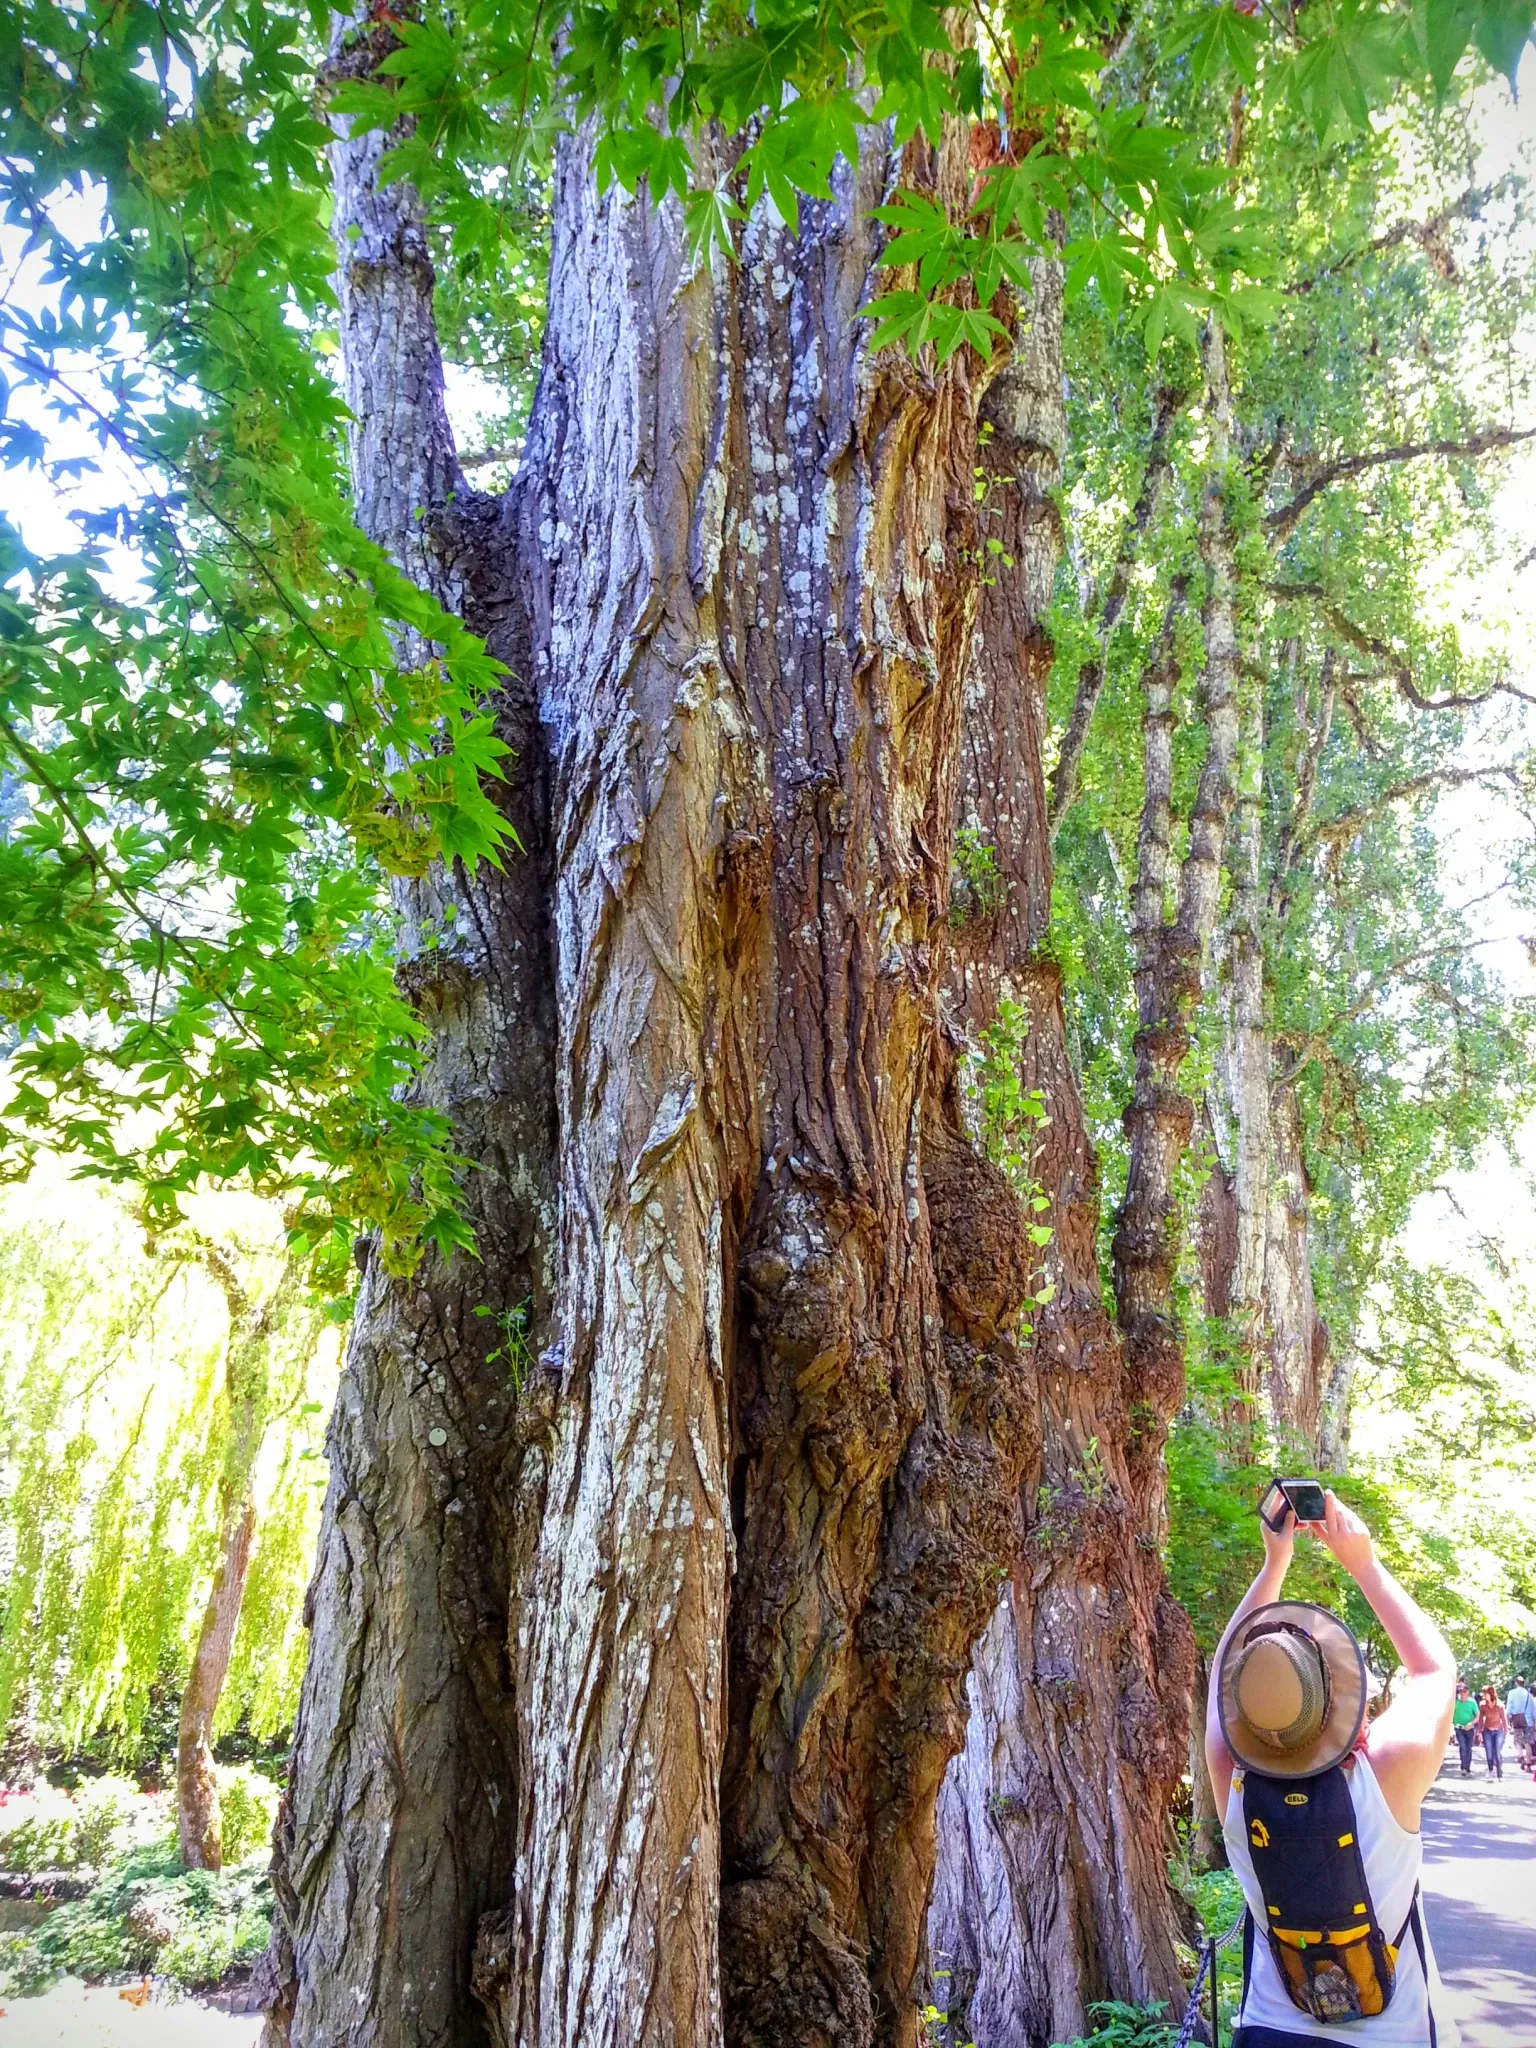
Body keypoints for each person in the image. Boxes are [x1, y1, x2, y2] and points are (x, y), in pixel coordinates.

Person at [1206, 1489, 1459, 2047]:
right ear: (1339, 1694)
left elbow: (1218, 1683)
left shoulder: (1231, 1773)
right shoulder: (1387, 1771)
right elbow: (1435, 1672)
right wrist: (1363, 1564)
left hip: (1271, 2029)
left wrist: (1275, 1563)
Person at [1474, 1686, 1506, 1780]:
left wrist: (1505, 1733)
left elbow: (1504, 1720)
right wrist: (1479, 1732)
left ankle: (1500, 1773)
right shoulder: (1483, 1705)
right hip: (1487, 1730)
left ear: (1490, 1694)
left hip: (1498, 1731)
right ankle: (1490, 1769)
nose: (1483, 1695)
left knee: (1497, 1752)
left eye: (1485, 1693)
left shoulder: (1499, 1705)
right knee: (1489, 1752)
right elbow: (1480, 1719)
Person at [1505, 1674, 1533, 1771]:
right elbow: (1534, 1711)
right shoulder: (1529, 1695)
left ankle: (1521, 1755)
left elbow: (1508, 1710)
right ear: (1524, 1684)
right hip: (1529, 1722)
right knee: (1527, 1742)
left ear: (1516, 1683)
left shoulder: (1511, 1693)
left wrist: (1508, 1723)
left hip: (1517, 1720)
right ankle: (1529, 1764)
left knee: (1517, 1740)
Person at [1451, 1682, 1478, 1776]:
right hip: (1459, 1728)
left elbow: (1477, 1715)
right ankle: (1463, 1767)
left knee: (1468, 1748)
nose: (1462, 1694)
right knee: (1462, 1747)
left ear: (1468, 1692)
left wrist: (1471, 1723)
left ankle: (1467, 1767)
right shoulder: (1456, 1703)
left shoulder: (1472, 1702)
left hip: (1469, 1729)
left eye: (1464, 1692)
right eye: (1461, 1692)